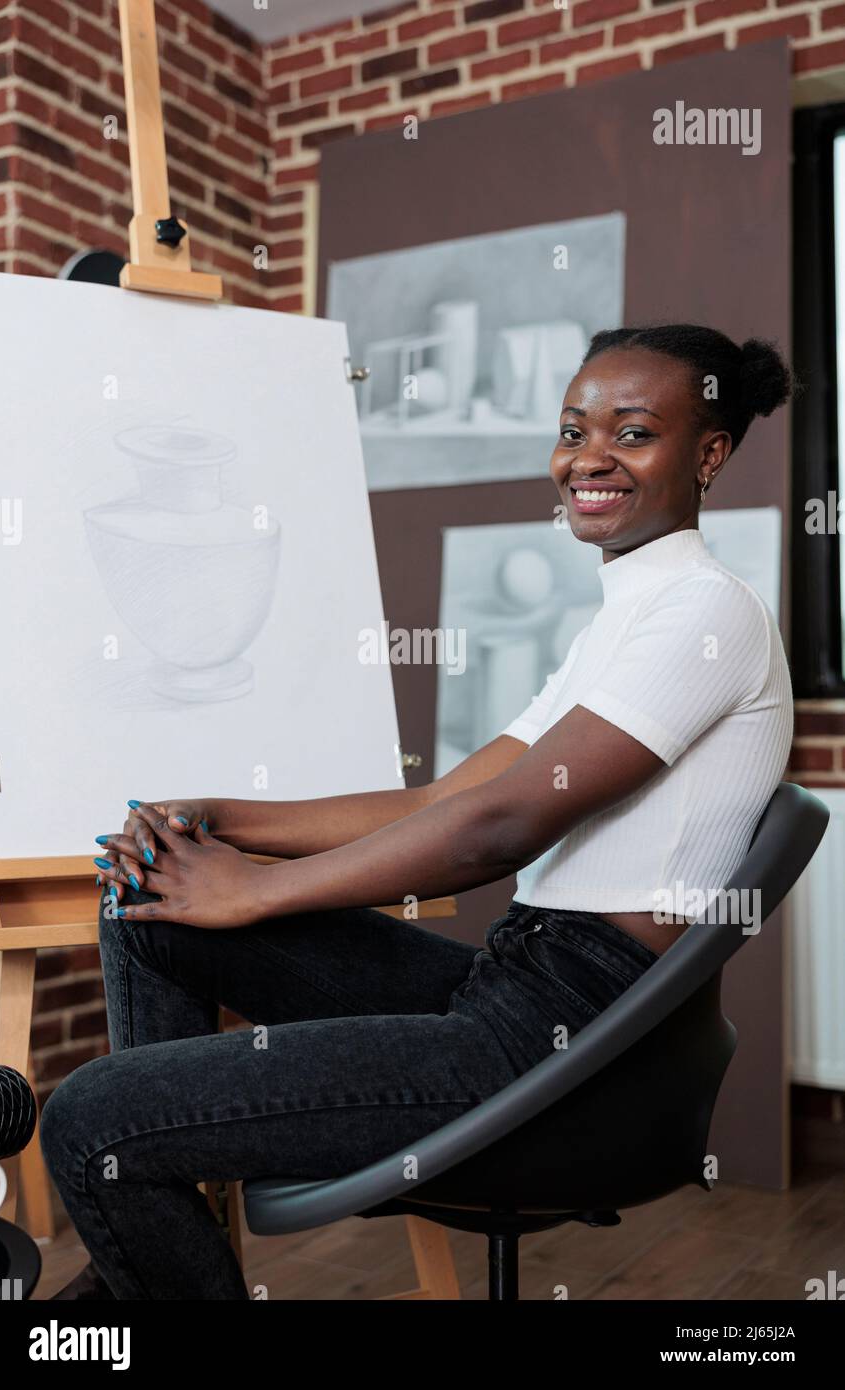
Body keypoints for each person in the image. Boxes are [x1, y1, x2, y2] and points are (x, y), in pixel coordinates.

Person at [41, 323, 795, 1300]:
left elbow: (498, 828)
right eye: (573, 429)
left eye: (633, 432)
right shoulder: (628, 617)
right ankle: (152, 1276)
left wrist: (255, 891)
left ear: (706, 454)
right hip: (512, 982)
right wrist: (224, 814)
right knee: (143, 909)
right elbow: (447, 796)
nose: (589, 457)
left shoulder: (704, 611)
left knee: (90, 1118)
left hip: (564, 1035)